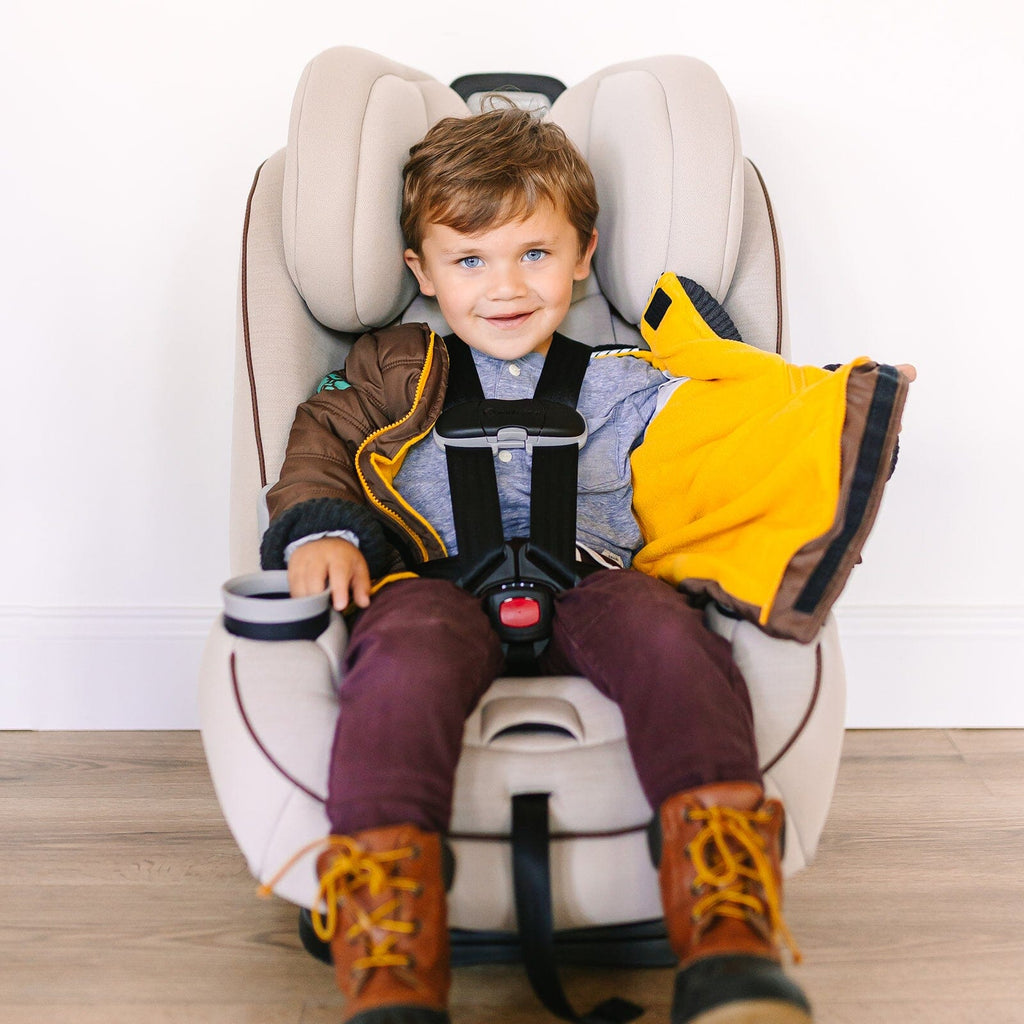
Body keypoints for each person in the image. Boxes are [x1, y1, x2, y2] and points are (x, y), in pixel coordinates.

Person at [261, 105, 906, 1024]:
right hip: (433, 581)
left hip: (599, 578)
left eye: (535, 253)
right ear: (423, 274)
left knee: (665, 633)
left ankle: (730, 942)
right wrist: (323, 528)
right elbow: (318, 448)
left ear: (583, 255)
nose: (506, 286)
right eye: (469, 260)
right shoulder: (385, 367)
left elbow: (726, 426)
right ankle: (392, 966)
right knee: (397, 657)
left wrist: (826, 409)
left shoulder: (627, 374)